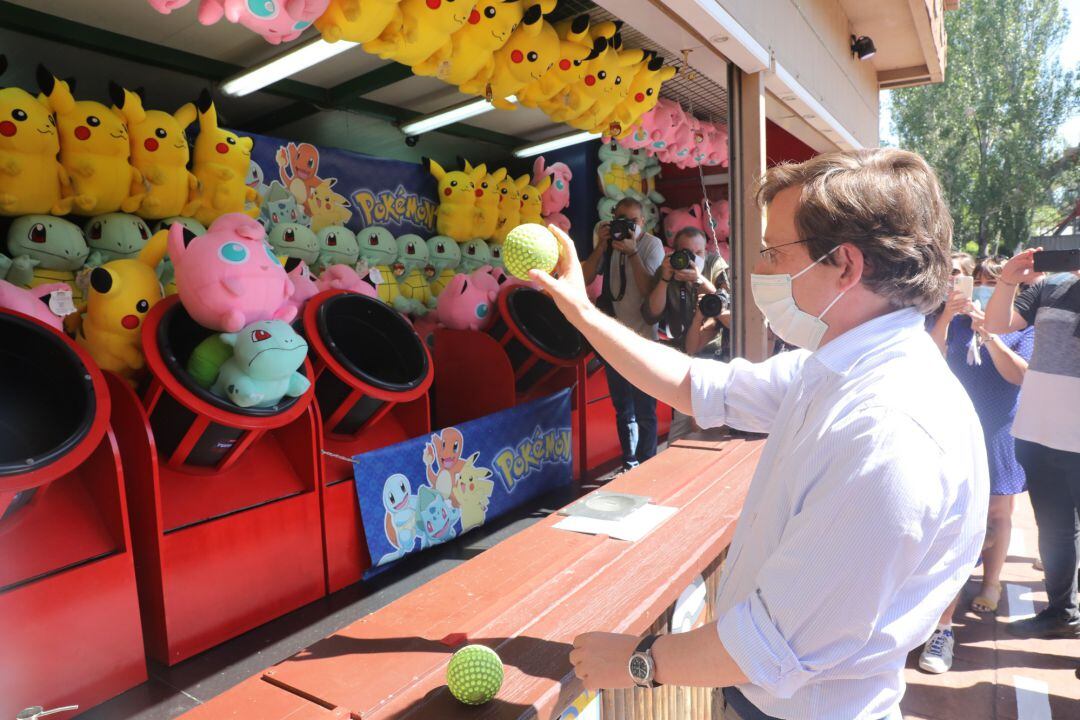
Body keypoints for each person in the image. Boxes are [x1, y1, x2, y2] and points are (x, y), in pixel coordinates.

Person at [531, 149, 987, 720]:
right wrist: (580, 310)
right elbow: (698, 383)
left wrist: (637, 661)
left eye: (775, 252)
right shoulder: (835, 369)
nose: (761, 269)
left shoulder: (888, 431)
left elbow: (770, 646)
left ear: (845, 265)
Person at [919, 255, 1033, 673]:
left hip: (999, 424)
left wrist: (991, 333)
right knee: (954, 515)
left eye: (986, 280)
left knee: (998, 510)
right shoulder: (935, 316)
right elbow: (928, 362)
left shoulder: (1019, 325)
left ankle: (990, 581)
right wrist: (947, 319)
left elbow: (1019, 375)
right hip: (950, 424)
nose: (973, 285)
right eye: (966, 278)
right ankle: (944, 605)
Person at [984, 247, 1080, 640]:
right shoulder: (1051, 288)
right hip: (1040, 435)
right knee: (1055, 532)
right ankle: (1062, 613)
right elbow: (997, 323)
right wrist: (1008, 279)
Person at [582, 197, 666, 470]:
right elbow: (585, 278)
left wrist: (632, 253)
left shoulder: (651, 245)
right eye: (620, 219)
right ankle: (629, 463)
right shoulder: (609, 243)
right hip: (614, 340)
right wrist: (601, 246)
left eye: (632, 221)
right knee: (623, 409)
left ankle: (648, 464)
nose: (626, 226)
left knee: (645, 411)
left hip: (643, 341)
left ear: (642, 222)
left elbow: (649, 292)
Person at [642, 226, 730, 440]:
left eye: (697, 253)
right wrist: (664, 279)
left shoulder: (715, 265)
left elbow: (730, 309)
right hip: (682, 360)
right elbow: (651, 315)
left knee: (710, 430)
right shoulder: (668, 269)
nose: (692, 259)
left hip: (715, 358)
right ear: (674, 252)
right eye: (686, 253)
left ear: (706, 252)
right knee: (679, 434)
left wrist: (700, 280)